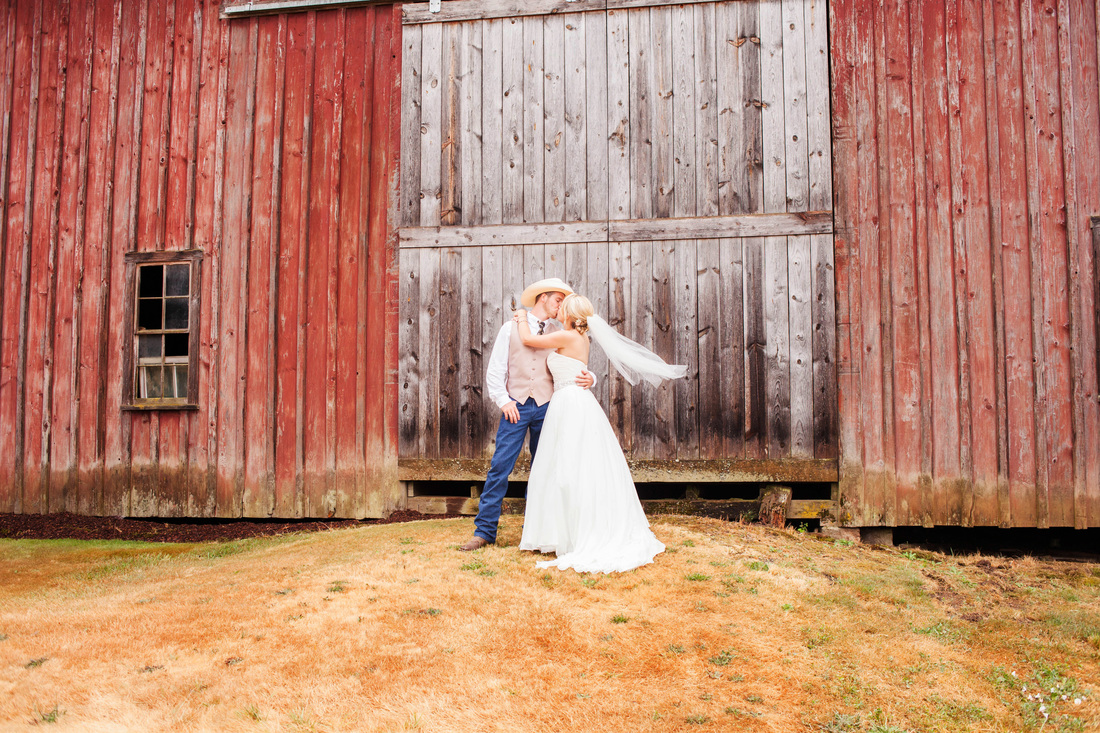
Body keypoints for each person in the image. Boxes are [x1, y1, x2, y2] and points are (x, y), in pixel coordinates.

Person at [512, 293, 686, 573]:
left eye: (562, 307)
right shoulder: (579, 338)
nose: (558, 310)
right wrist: (590, 376)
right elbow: (575, 367)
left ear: (569, 314)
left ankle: (576, 533)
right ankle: (565, 531)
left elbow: (530, 340)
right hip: (570, 401)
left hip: (569, 404)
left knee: (569, 467)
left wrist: (521, 318)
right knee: (571, 466)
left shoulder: (568, 337)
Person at [458, 278, 595, 552]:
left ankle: (536, 533)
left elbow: (574, 364)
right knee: (500, 468)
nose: (560, 306)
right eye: (558, 300)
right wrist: (503, 400)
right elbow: (496, 370)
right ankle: (484, 532)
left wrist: (590, 377)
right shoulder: (510, 329)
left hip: (549, 407)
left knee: (545, 470)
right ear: (543, 298)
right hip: (517, 407)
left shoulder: (560, 331)